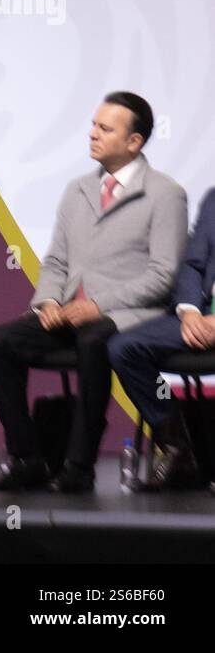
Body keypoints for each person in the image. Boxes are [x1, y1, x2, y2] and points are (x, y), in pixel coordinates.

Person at [0, 92, 188, 493]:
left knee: (94, 341)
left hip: (129, 313)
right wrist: (49, 302)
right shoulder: (77, 190)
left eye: (104, 129)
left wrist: (96, 306)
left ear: (134, 142)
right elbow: (55, 262)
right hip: (70, 312)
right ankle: (28, 458)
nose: (92, 134)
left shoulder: (166, 194)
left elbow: (164, 276)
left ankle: (79, 466)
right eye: (93, 125)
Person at [108, 188, 215, 490]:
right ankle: (177, 446)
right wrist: (191, 312)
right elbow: (193, 264)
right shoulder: (213, 199)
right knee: (124, 349)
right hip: (199, 315)